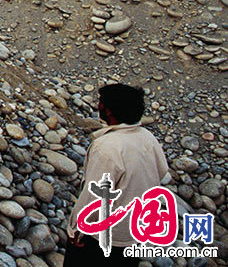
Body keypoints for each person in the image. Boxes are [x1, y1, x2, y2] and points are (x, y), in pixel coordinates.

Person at [64, 83, 170, 267]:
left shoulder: (107, 147)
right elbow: (162, 173)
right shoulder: (147, 137)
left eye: (101, 102)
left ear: (109, 111)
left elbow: (94, 196)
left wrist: (76, 229)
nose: (98, 106)